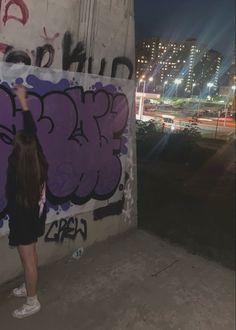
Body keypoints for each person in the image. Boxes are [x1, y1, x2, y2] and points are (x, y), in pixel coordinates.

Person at [5, 85, 48, 318]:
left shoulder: (17, 177)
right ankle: (28, 286)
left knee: (28, 258)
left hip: (24, 220)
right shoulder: (38, 160)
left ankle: (33, 301)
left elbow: (9, 198)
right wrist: (23, 102)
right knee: (31, 255)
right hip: (35, 217)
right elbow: (31, 131)